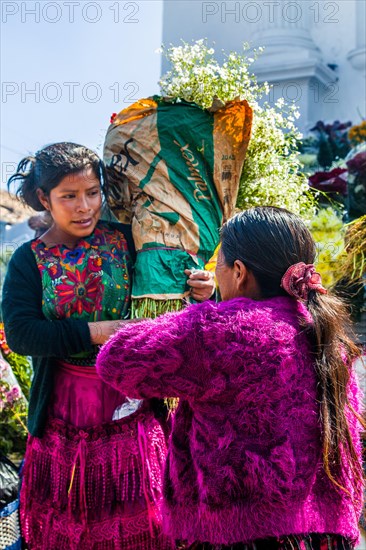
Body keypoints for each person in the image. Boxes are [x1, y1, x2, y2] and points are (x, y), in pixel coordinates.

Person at [97, 206, 365, 550]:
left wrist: (199, 310)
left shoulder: (221, 330)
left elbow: (117, 359)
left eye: (218, 263)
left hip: (236, 535)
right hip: (322, 536)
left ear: (239, 271)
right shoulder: (325, 334)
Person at [2, 142, 215, 550]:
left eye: (92, 193)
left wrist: (205, 290)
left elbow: (169, 299)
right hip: (65, 409)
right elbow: (21, 334)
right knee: (70, 523)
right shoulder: (29, 260)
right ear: (45, 198)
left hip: (131, 404)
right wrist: (97, 332)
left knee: (143, 518)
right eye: (69, 196)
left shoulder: (129, 240)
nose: (84, 207)